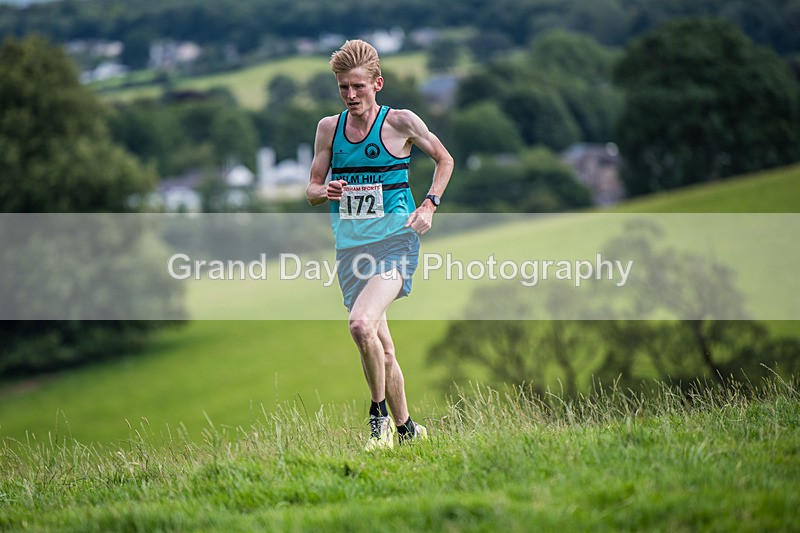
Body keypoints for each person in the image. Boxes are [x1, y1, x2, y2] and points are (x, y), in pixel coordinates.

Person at [306, 39, 454, 450]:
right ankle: (408, 431)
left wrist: (429, 204)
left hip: (396, 241)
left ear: (377, 84)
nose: (350, 96)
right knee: (382, 348)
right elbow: (311, 189)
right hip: (350, 248)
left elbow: (445, 159)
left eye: (357, 87)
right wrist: (326, 189)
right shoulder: (328, 129)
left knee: (360, 325)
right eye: (342, 88)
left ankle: (379, 421)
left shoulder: (401, 122)